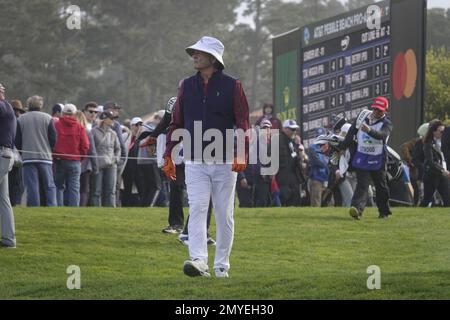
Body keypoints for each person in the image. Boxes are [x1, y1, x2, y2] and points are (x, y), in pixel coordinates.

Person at [163, 36, 249, 278]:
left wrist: (241, 152)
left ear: (212, 58)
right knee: (198, 208)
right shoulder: (185, 85)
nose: (194, 56)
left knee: (223, 214)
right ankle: (199, 261)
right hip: (193, 160)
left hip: (224, 160)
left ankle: (222, 266)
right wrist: (169, 153)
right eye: (194, 52)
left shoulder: (233, 85)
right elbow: (176, 121)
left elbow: (242, 121)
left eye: (199, 53)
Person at [339, 96, 393, 219]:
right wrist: (341, 147)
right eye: (375, 109)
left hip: (378, 159)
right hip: (362, 157)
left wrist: (369, 130)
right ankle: (356, 210)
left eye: (380, 110)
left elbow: (382, 135)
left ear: (385, 111)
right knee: (362, 184)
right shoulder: (362, 117)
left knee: (381, 186)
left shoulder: (387, 123)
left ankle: (384, 212)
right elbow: (351, 133)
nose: (376, 112)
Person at [16, 95, 58, 207]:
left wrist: (22, 152)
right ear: (41, 105)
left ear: (28, 105)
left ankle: (34, 206)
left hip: (28, 157)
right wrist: (49, 150)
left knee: (32, 185)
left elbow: (17, 140)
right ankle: (52, 205)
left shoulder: (20, 119)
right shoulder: (48, 118)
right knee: (49, 185)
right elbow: (53, 138)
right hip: (45, 157)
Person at [53, 104, 90, 207]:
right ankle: (74, 209)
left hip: (59, 160)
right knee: (74, 187)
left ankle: (59, 208)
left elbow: (51, 141)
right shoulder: (79, 127)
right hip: (74, 161)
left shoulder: (56, 125)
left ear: (62, 113)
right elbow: (85, 145)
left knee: (59, 186)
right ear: (74, 114)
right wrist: (80, 158)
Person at [91, 111, 121, 207]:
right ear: (104, 119)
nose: (113, 121)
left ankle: (111, 210)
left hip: (111, 165)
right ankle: (96, 210)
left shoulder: (113, 133)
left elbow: (118, 149)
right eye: (111, 118)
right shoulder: (94, 131)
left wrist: (116, 159)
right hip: (98, 165)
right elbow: (92, 149)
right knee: (96, 190)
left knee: (111, 190)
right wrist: (95, 164)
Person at [0, 83, 17, 248]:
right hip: (5, 155)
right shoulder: (6, 107)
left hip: (2, 155)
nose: (3, 90)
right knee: (3, 199)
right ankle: (8, 240)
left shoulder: (3, 106)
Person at [420, 119, 450, 207]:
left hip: (441, 175)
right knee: (427, 200)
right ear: (434, 132)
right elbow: (430, 162)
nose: (443, 133)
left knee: (448, 199)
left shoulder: (442, 142)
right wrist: (442, 170)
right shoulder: (427, 144)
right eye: (441, 131)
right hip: (431, 175)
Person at [103, 102, 127, 207]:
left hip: (112, 160)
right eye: (115, 109)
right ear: (109, 110)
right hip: (111, 160)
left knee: (113, 187)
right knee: (112, 187)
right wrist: (122, 158)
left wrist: (121, 159)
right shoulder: (115, 125)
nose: (117, 111)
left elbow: (120, 145)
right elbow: (121, 144)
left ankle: (114, 206)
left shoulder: (116, 124)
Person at [276, 119, 304, 206]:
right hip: (282, 174)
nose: (294, 131)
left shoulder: (292, 142)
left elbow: (296, 157)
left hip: (293, 174)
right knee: (285, 197)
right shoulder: (278, 139)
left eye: (295, 129)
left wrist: (298, 145)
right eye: (292, 129)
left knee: (296, 197)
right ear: (285, 129)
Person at [76, 110, 98, 207]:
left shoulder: (72, 130)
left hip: (73, 162)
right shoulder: (87, 132)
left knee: (73, 187)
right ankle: (81, 207)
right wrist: (95, 167)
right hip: (85, 166)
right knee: (84, 190)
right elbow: (92, 151)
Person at [121, 117, 145, 207]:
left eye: (140, 125)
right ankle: (125, 206)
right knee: (127, 189)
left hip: (140, 168)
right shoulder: (125, 136)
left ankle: (143, 207)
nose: (138, 127)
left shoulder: (144, 137)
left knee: (141, 189)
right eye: (136, 125)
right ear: (131, 126)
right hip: (127, 168)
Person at [8, 100, 25, 206]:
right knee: (15, 183)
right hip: (12, 155)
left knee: (13, 183)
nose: (18, 113)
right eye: (16, 110)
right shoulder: (14, 121)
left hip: (13, 156)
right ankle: (14, 203)